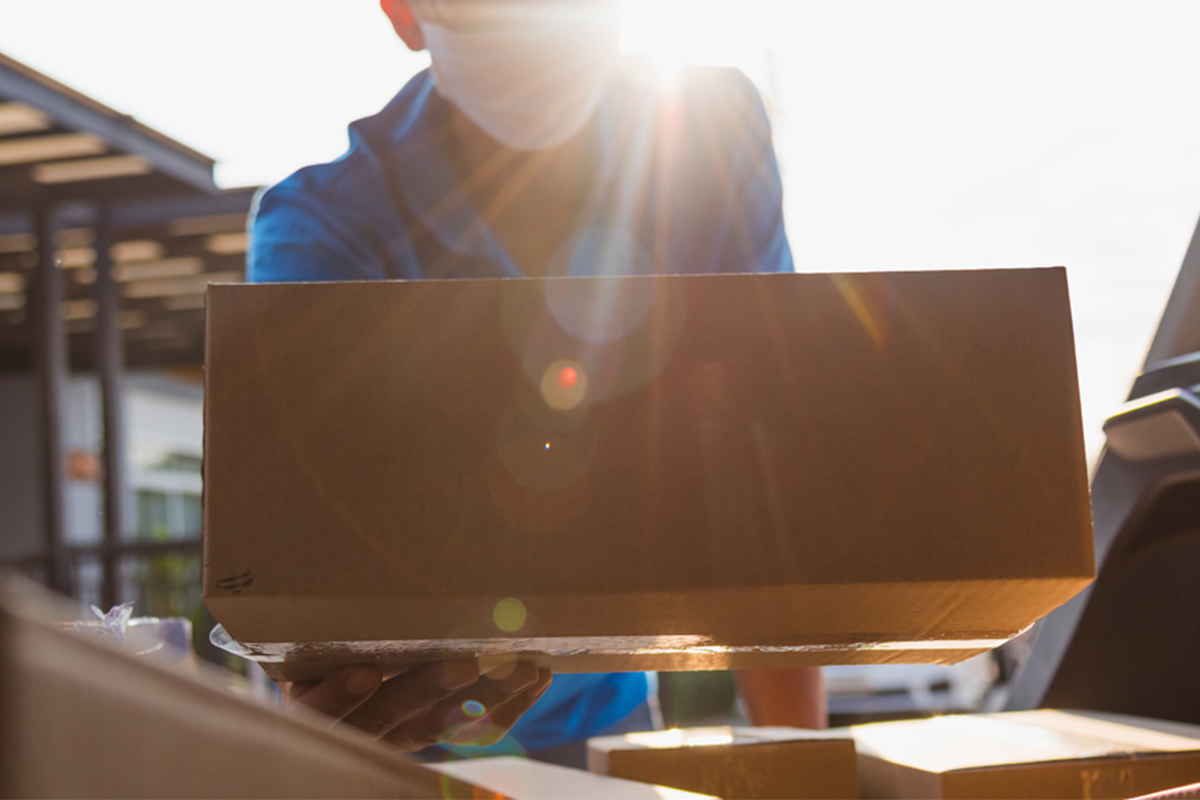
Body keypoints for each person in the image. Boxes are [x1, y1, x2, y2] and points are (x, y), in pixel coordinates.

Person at [247, 0, 825, 765]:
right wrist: (322, 713)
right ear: (403, 14)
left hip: (605, 729)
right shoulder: (323, 232)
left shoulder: (706, 134)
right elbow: (303, 557)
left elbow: (767, 474)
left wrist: (799, 762)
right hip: (405, 754)